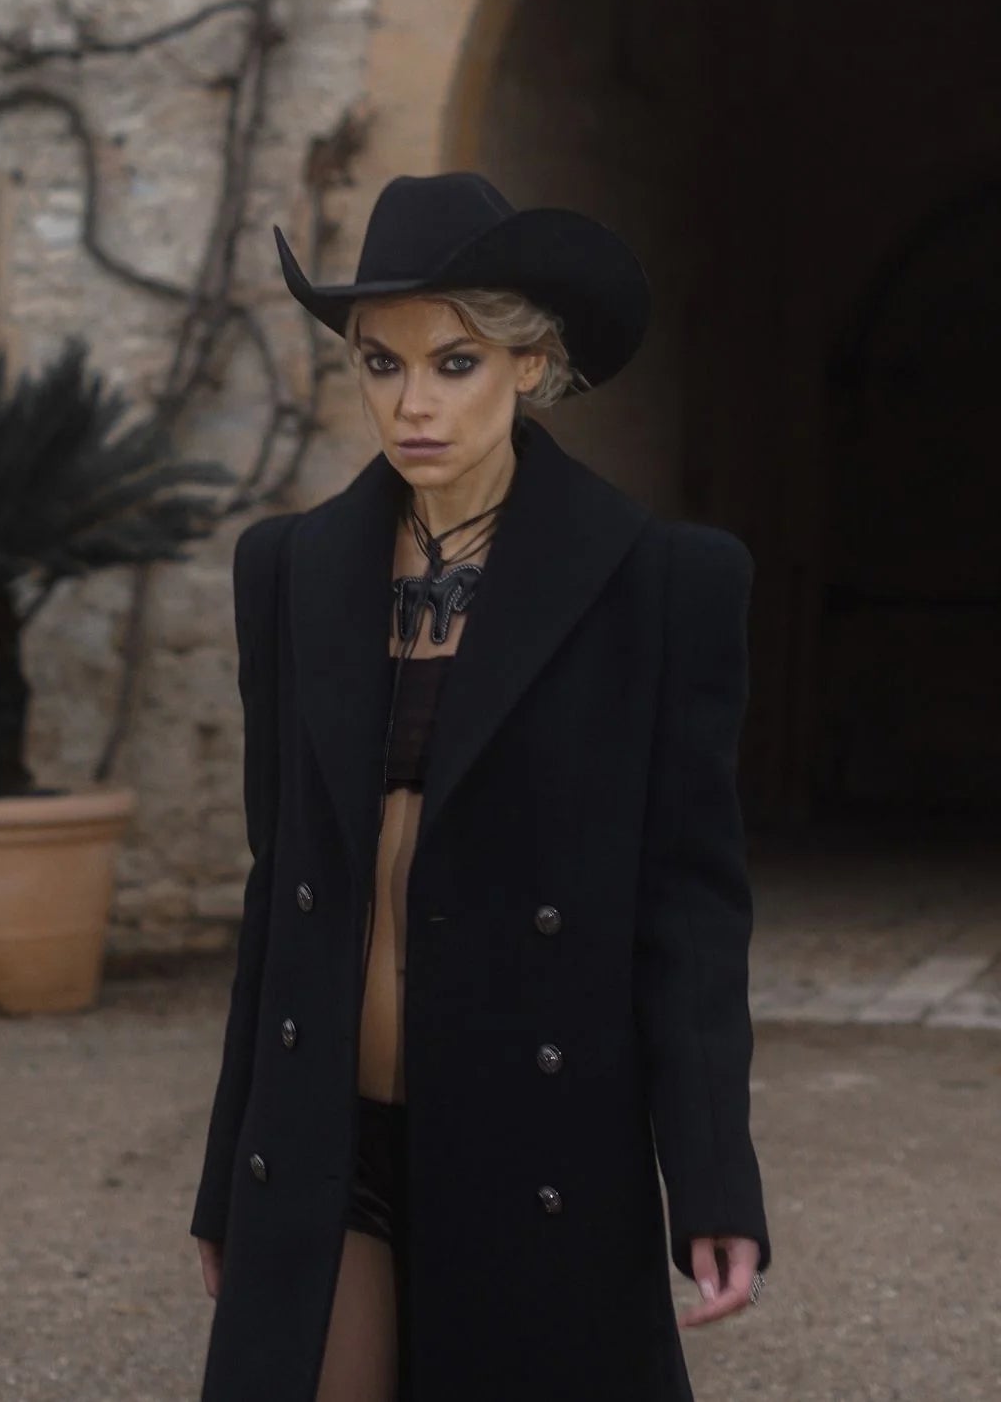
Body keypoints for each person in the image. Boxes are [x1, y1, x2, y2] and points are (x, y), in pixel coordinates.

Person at [190, 171, 768, 1402]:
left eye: (453, 363)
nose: (412, 404)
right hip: (324, 1139)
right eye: (379, 363)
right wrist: (228, 1170)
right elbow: (280, 890)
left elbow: (689, 913)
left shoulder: (662, 588)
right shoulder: (287, 571)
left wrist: (713, 1180)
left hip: (534, 1142)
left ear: (529, 363)